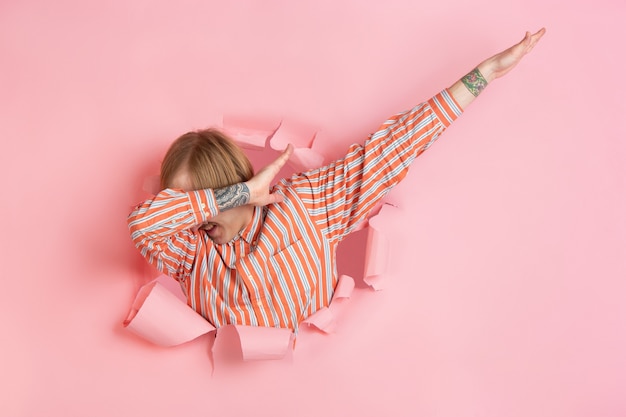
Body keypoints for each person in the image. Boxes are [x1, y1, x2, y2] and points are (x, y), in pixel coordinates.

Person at [128, 29, 546, 331]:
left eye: (202, 196)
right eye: (181, 201)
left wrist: (484, 74)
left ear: (226, 180)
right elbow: (143, 224)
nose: (194, 211)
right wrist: (235, 195)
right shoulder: (188, 253)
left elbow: (392, 148)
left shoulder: (305, 205)